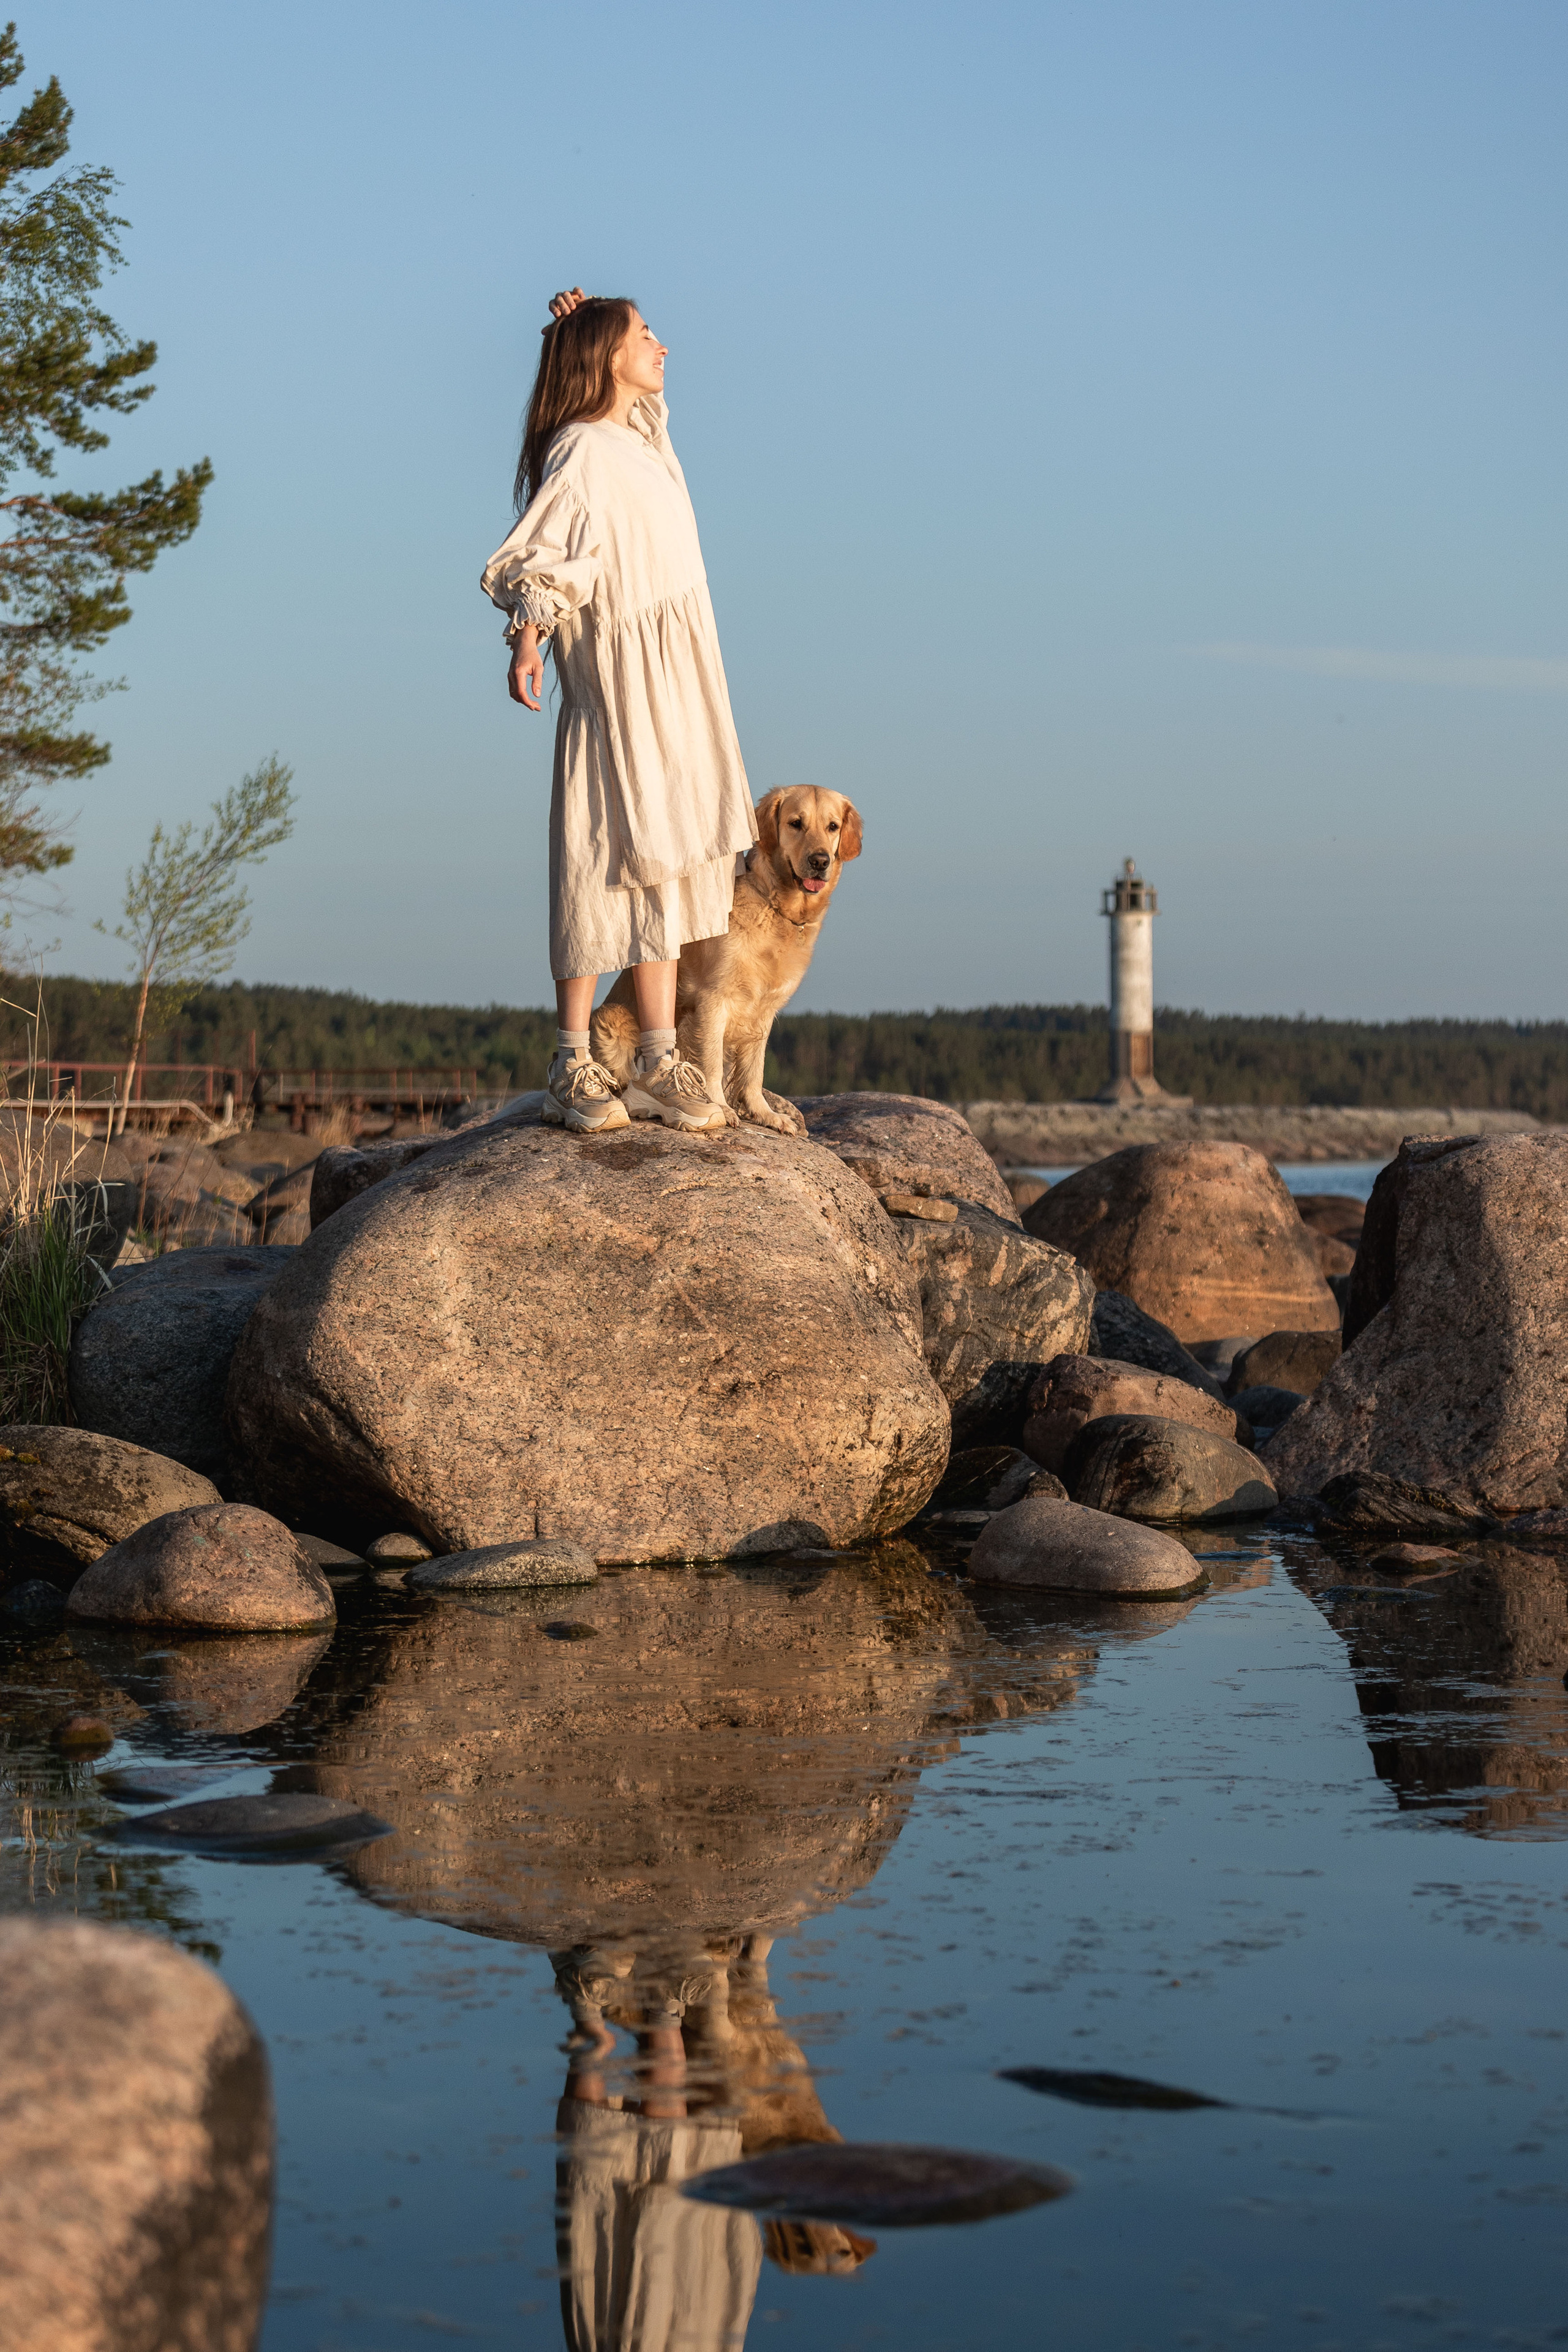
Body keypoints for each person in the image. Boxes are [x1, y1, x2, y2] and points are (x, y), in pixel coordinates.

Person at [481, 288, 757, 1133]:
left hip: (681, 684)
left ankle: (654, 1057)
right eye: (645, 335)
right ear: (608, 356)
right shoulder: (584, 451)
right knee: (603, 854)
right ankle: (572, 1060)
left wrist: (575, 325)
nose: (663, 347)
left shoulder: (637, 440)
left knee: (670, 855)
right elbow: (550, 547)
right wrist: (530, 635)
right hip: (622, 685)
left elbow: (643, 412)